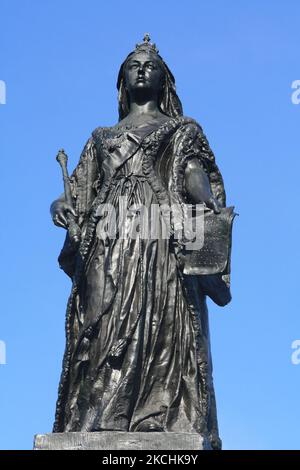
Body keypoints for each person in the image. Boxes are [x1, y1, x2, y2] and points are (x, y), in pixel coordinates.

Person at [50, 35, 232, 450]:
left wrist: (207, 202)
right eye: (133, 65)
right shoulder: (100, 137)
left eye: (149, 64)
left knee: (164, 322)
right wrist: (60, 204)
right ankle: (97, 417)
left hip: (160, 237)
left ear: (163, 78)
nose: (141, 69)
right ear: (123, 80)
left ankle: (157, 414)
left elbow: (191, 171)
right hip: (109, 239)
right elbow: (80, 190)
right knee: (99, 320)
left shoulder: (182, 129)